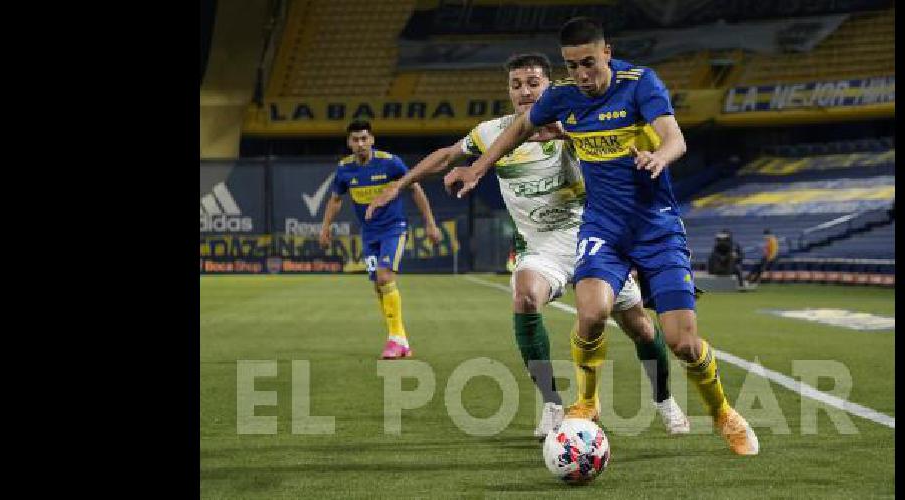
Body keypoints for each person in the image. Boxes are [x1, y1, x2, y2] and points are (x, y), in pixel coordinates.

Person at [442, 18, 757, 456]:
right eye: (572, 66)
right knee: (590, 313)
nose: (582, 75)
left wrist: (659, 158)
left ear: (607, 52)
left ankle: (724, 413)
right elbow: (519, 128)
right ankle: (586, 402)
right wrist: (478, 167)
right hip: (601, 227)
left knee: (682, 342)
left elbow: (675, 137)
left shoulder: (639, 84)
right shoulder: (563, 96)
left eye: (589, 63)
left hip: (656, 227)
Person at [365, 53, 689, 438]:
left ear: (550, 86)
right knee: (524, 295)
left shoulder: (577, 119)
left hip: (595, 237)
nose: (524, 91)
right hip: (542, 249)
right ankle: (552, 406)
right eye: (516, 85)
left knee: (639, 328)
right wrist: (397, 187)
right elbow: (447, 155)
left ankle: (665, 401)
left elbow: (628, 143)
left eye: (533, 83)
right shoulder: (494, 133)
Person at [318, 120, 443, 360]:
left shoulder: (390, 162)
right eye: (355, 140)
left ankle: (394, 340)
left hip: (393, 229)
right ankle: (400, 339)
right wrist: (325, 228)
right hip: (369, 233)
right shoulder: (344, 169)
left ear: (372, 140)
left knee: (385, 276)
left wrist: (430, 222)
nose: (360, 144)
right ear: (349, 143)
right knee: (378, 284)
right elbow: (335, 200)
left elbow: (414, 188)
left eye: (365, 138)